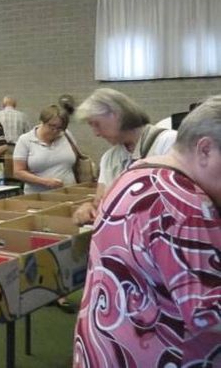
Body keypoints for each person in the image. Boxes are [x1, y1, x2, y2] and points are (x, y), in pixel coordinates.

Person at [73, 96, 221, 367]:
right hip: (155, 353)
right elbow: (207, 314)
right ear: (205, 149)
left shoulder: (135, 174)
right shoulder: (186, 203)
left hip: (107, 347)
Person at [72, 88, 176, 226]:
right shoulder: (110, 158)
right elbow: (100, 201)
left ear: (116, 115)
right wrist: (88, 208)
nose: (96, 133)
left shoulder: (169, 143)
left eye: (96, 124)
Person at [11, 105, 76, 194]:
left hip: (67, 193)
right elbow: (18, 172)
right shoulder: (25, 140)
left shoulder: (66, 135)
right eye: (52, 126)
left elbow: (75, 159)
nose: (55, 131)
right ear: (42, 121)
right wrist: (45, 181)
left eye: (60, 128)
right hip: (38, 197)